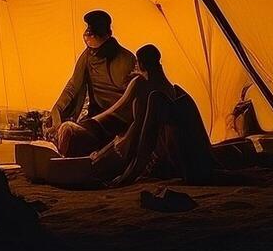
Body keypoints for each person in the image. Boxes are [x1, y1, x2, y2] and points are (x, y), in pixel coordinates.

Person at [92, 44, 215, 187]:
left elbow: (142, 131)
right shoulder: (171, 88)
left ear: (142, 64)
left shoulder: (148, 91)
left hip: (161, 155)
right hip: (172, 156)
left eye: (138, 63)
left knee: (108, 157)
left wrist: (126, 175)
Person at [52, 9, 136, 157]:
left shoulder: (126, 59)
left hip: (119, 123)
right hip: (96, 120)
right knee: (68, 131)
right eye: (87, 30)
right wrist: (56, 112)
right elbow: (73, 87)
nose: (87, 35)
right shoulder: (88, 56)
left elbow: (132, 100)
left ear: (106, 33)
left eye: (92, 31)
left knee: (72, 133)